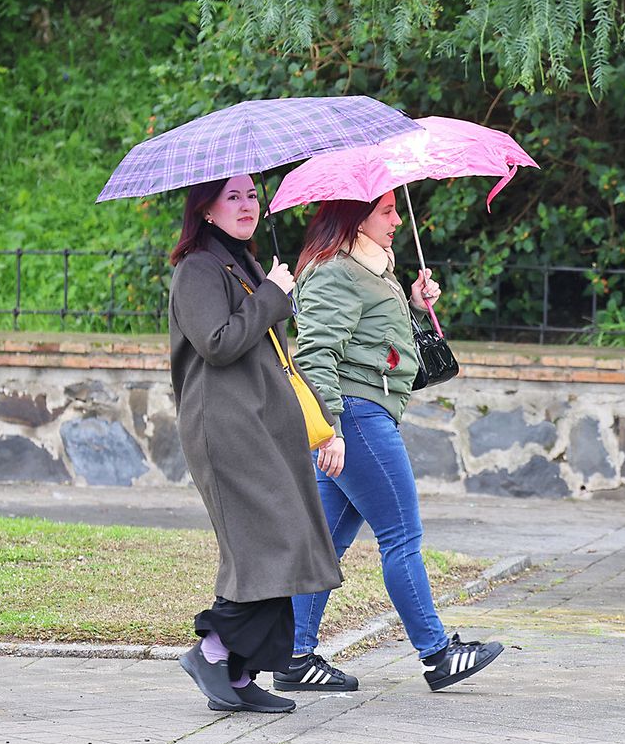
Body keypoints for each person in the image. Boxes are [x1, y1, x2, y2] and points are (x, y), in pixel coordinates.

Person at [277, 190, 503, 694]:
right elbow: (315, 358)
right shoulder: (334, 272)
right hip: (355, 420)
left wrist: (417, 304)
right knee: (402, 538)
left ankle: (294, 657)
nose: (398, 219)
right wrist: (329, 431)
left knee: (326, 544)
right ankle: (438, 655)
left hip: (363, 414)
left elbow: (379, 341)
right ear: (355, 217)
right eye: (386, 210)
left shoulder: (370, 269)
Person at [167, 174, 343, 714]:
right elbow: (217, 344)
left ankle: (240, 672)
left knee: (278, 546)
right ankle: (213, 650)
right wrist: (271, 297)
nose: (247, 206)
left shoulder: (243, 262)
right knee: (272, 543)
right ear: (207, 208)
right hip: (225, 429)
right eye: (233, 197)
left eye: (251, 195)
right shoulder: (197, 268)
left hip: (261, 426)